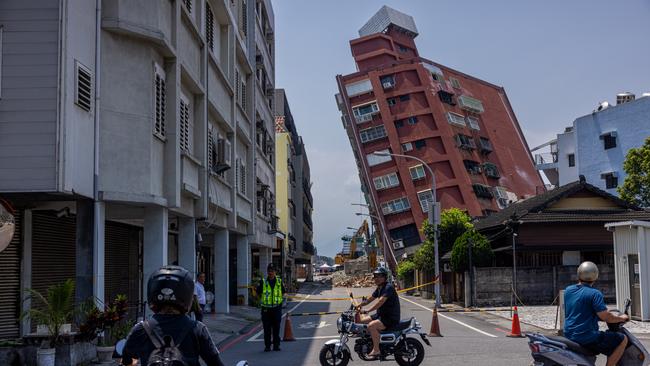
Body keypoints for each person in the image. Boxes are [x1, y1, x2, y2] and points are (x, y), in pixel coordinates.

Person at [121, 265, 225, 366]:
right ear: (187, 295)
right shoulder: (198, 329)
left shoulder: (141, 329)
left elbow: (126, 359)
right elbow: (215, 362)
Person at [564, 261, 629, 366]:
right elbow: (605, 316)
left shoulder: (568, 290)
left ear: (579, 273)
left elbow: (579, 311)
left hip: (569, 334)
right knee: (622, 339)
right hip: (586, 336)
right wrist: (622, 318)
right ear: (595, 275)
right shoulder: (595, 293)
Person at [356, 267, 400, 360]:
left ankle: (376, 349)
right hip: (381, 315)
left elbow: (380, 302)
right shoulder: (379, 288)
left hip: (389, 317)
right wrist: (358, 306)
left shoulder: (388, 288)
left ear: (384, 277)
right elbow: (369, 299)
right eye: (375, 276)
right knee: (360, 321)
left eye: (379, 276)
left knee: (371, 326)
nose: (376, 278)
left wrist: (367, 310)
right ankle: (370, 342)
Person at [256, 263, 286, 352]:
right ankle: (268, 346)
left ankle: (276, 345)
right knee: (267, 329)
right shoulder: (263, 282)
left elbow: (283, 292)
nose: (270, 273)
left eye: (272, 271)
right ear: (267, 272)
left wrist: (280, 303)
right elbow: (258, 293)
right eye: (269, 271)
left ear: (275, 272)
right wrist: (262, 302)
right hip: (266, 310)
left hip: (276, 309)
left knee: (276, 328)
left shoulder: (279, 282)